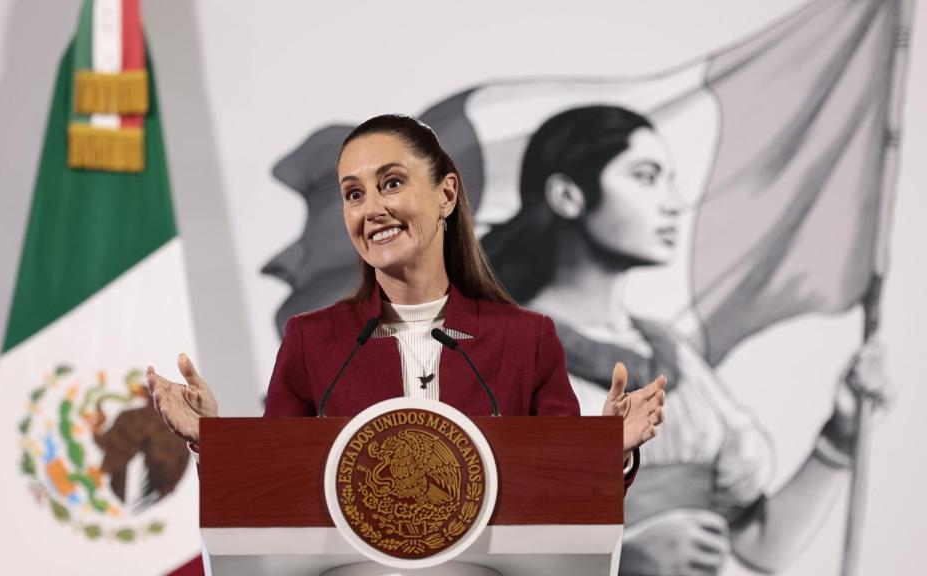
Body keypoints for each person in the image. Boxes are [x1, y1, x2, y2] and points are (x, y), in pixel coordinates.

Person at [146, 114, 667, 485]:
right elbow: (275, 488)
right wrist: (209, 439)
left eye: (391, 184)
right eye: (353, 193)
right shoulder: (313, 340)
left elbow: (562, 493)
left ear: (446, 194)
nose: (370, 209)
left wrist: (607, 453)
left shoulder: (526, 339)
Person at [481, 105, 889, 575]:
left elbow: (761, 545)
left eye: (670, 180)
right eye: (646, 176)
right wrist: (618, 558)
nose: (674, 202)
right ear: (568, 195)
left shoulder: (674, 356)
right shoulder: (500, 352)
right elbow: (456, 540)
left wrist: (840, 435)